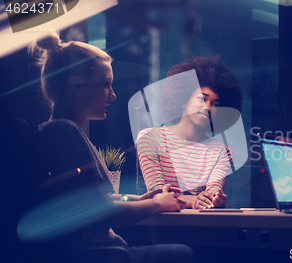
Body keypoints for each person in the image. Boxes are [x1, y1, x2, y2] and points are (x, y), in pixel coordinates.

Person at [31, 33, 194, 263]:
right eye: (106, 84)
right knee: (184, 254)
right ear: (77, 85)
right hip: (102, 255)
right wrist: (156, 204)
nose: (113, 95)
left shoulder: (58, 131)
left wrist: (140, 198)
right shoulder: (64, 132)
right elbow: (99, 211)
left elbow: (101, 199)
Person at [137, 56, 243, 209]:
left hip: (204, 226)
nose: (208, 108)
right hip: (164, 228)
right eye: (202, 99)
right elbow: (157, 195)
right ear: (183, 99)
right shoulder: (150, 138)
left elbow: (213, 191)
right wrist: (194, 201)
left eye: (215, 105)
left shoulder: (222, 151)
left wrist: (215, 198)